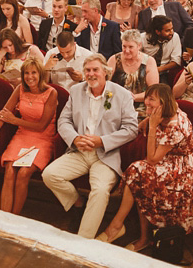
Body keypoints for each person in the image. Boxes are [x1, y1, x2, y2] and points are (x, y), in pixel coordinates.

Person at [98, 83, 193, 251]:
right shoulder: (169, 108)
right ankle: (128, 231)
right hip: (166, 162)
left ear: (163, 103)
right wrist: (147, 120)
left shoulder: (175, 126)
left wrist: (152, 126)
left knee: (138, 173)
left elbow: (152, 159)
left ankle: (119, 228)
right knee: (137, 174)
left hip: (182, 171)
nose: (147, 102)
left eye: (152, 99)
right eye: (147, 97)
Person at [42, 54, 138, 239]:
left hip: (105, 155)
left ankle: (83, 241)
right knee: (50, 175)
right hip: (79, 151)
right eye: (87, 70)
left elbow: (131, 129)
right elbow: (64, 121)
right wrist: (75, 138)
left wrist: (101, 141)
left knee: (101, 190)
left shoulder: (122, 94)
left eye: (95, 70)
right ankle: (78, 202)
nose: (91, 74)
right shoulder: (76, 91)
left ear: (106, 72)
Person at [0, 58, 59, 215]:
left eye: (33, 73)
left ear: (41, 74)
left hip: (42, 138)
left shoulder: (51, 93)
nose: (29, 77)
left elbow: (41, 126)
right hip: (22, 135)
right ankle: (4, 218)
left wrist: (15, 120)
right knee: (10, 170)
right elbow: (4, 114)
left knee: (23, 173)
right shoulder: (20, 89)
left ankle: (15, 220)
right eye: (26, 73)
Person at [106, 30, 160, 117]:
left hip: (141, 109)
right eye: (124, 46)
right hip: (116, 106)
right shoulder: (114, 60)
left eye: (131, 47)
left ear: (139, 46)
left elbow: (153, 91)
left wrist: (132, 97)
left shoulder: (149, 61)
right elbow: (104, 85)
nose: (126, 50)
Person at [142, 15, 183, 85]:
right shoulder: (142, 38)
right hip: (144, 71)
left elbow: (176, 61)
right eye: (167, 30)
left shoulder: (175, 37)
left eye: (172, 29)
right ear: (157, 32)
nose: (171, 32)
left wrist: (158, 69)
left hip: (164, 72)